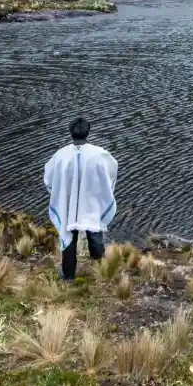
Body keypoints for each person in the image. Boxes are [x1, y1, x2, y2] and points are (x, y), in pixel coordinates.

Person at [43, 117, 118, 281]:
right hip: (91, 203)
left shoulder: (61, 155)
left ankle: (68, 275)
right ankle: (101, 270)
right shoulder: (99, 154)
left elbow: (48, 178)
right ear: (88, 132)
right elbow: (112, 171)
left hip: (67, 204)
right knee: (95, 232)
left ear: (71, 132)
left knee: (69, 237)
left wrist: (61, 192)